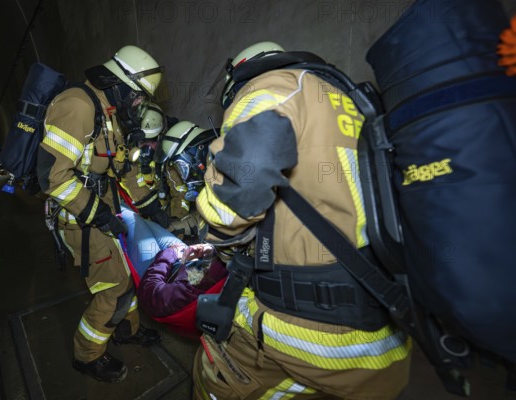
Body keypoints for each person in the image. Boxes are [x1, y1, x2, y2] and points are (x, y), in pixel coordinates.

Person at [192, 42, 412, 400]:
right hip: (382, 327)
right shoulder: (345, 97)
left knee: (215, 378)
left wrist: (213, 235)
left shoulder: (270, 88)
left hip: (302, 326)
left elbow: (236, 195)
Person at [36, 45, 164, 383]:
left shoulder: (107, 113)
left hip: (103, 214)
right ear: (120, 82)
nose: (137, 104)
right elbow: (51, 176)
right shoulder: (77, 105)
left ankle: (126, 329)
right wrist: (98, 213)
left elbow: (118, 168)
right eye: (137, 96)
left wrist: (151, 205)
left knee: (128, 277)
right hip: (80, 219)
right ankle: (86, 355)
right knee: (113, 288)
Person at [154, 121, 216, 240]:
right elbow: (215, 213)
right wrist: (184, 225)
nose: (183, 176)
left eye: (182, 166)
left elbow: (229, 218)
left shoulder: (226, 167)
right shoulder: (212, 172)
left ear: (197, 150)